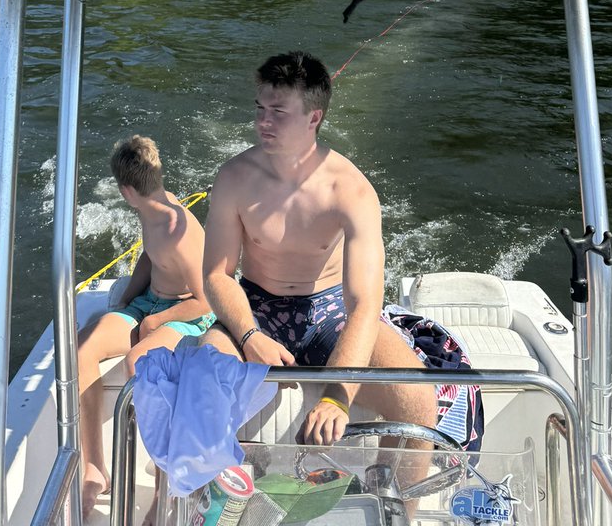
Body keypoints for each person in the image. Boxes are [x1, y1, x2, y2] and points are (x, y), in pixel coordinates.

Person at [202, 51, 481, 453]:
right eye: (260, 108)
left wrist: (337, 395)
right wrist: (248, 336)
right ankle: (212, 490)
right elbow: (217, 274)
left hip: (330, 312)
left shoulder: (351, 190)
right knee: (201, 386)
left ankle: (393, 492)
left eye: (278, 112)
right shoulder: (233, 178)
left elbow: (365, 304)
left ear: (313, 118)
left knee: (417, 400)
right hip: (256, 307)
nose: (263, 121)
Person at [77, 135, 215, 517]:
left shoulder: (178, 228)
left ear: (126, 192)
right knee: (82, 350)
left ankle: (163, 489)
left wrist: (158, 319)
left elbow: (208, 300)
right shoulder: (150, 209)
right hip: (149, 302)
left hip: (187, 313)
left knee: (140, 362)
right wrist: (127, 301)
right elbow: (149, 256)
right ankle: (95, 468)